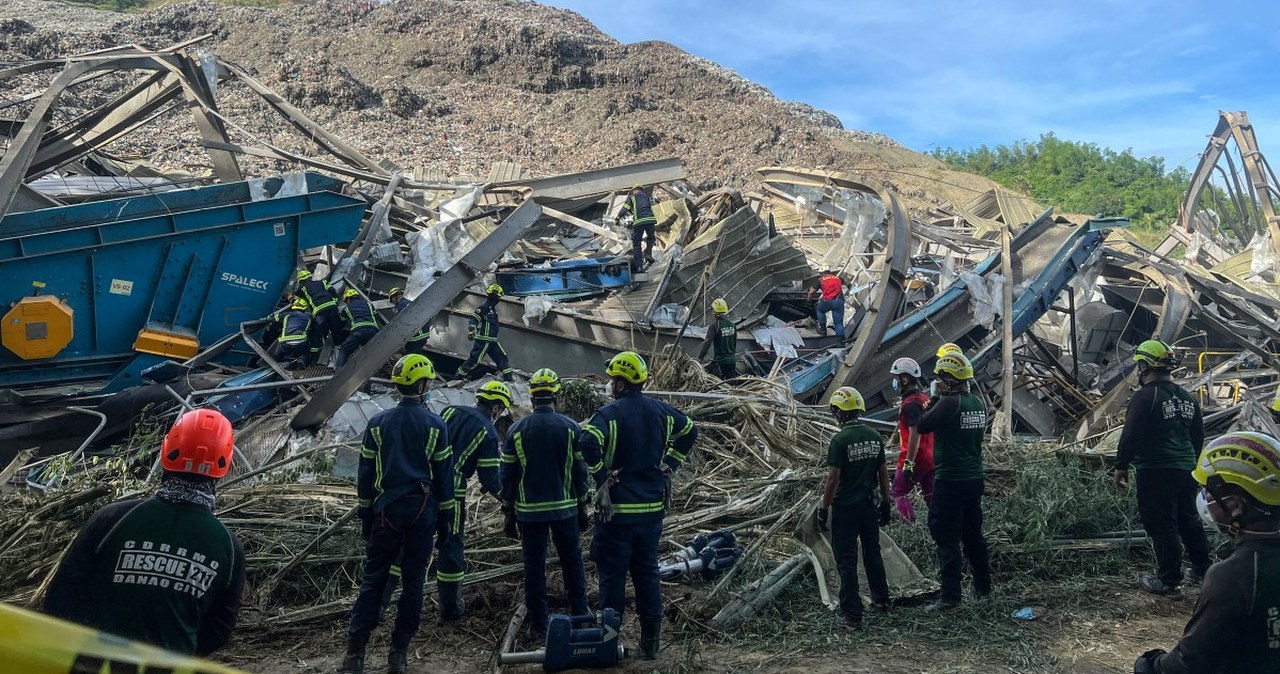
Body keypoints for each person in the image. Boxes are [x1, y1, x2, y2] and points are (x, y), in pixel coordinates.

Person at [45, 409, 245, 656]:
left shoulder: (113, 519)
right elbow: (219, 629)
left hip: (94, 663)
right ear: (225, 464)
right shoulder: (229, 547)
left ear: (166, 451)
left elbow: (61, 597)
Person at [578, 351, 698, 660]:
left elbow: (586, 441)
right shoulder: (662, 411)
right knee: (647, 575)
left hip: (617, 514)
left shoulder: (609, 415)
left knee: (612, 577)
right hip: (651, 512)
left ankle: (608, 644)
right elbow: (689, 430)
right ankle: (651, 644)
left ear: (619, 384)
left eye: (612, 380)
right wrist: (669, 464)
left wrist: (601, 475)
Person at [1133, 430, 1280, 674]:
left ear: (1234, 506)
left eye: (1208, 491)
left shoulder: (1236, 576)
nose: (1204, 498)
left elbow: (1188, 665)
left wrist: (1149, 664)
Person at [342, 354, 454, 674]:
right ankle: (398, 655)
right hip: (422, 514)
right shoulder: (436, 425)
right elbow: (445, 479)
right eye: (428, 382)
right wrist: (446, 521)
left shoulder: (377, 424)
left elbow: (365, 476)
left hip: (385, 514)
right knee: (413, 583)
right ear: (421, 385)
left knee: (374, 581)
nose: (430, 387)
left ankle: (355, 654)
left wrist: (366, 514)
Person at [1114, 339, 1210, 598]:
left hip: (1156, 471)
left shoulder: (1145, 396)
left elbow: (1130, 434)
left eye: (1139, 365)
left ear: (1144, 366)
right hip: (1187, 468)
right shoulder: (1187, 397)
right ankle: (1203, 571)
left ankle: (1169, 581)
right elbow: (1198, 437)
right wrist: (1191, 463)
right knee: (1189, 520)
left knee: (1162, 524)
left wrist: (1121, 466)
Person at [501, 368, 591, 637]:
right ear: (555, 396)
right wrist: (582, 507)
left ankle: (539, 626)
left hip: (529, 514)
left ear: (532, 398)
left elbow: (507, 476)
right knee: (572, 563)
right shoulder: (571, 428)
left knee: (534, 568)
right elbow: (580, 472)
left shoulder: (516, 431)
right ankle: (581, 617)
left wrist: (508, 511)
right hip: (565, 511)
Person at [917, 351, 992, 611]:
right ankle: (983, 588)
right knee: (973, 535)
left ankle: (950, 597)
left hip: (951, 480)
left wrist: (934, 397)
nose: (939, 381)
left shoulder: (950, 403)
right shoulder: (976, 403)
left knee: (946, 537)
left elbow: (923, 424)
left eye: (941, 378)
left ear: (948, 379)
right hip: (974, 477)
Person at [816, 386, 892, 630]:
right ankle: (881, 600)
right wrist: (886, 503)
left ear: (839, 412)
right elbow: (883, 473)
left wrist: (824, 508)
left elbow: (833, 479)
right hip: (868, 506)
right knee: (873, 553)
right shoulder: (874, 435)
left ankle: (852, 615)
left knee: (846, 561)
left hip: (845, 509)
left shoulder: (839, 440)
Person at [435, 380, 509, 623]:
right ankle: (450, 609)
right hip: (452, 492)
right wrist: (507, 499)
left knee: (414, 540)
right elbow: (490, 478)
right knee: (451, 545)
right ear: (497, 407)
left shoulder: (449, 410)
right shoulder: (488, 432)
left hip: (423, 486)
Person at [889, 357, 935, 524]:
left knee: (898, 491)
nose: (894, 382)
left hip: (916, 458)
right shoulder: (924, 399)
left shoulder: (910, 404)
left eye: (896, 378)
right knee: (931, 494)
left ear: (905, 379)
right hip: (931, 456)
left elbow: (915, 434)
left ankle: (909, 526)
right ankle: (941, 524)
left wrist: (909, 463)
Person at [456, 284, 514, 382]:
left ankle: (509, 379)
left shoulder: (493, 310)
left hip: (492, 341)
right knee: (474, 360)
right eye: (495, 296)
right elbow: (474, 319)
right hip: (484, 340)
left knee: (502, 358)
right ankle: (458, 377)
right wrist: (471, 330)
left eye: (497, 296)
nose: (496, 298)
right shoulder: (483, 308)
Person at [296, 269, 341, 366]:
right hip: (332, 307)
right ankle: (338, 352)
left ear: (301, 281)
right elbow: (332, 290)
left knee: (317, 334)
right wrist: (335, 301)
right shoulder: (322, 282)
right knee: (336, 330)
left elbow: (296, 296)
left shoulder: (302, 289)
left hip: (320, 311)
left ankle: (313, 361)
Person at [335, 288, 381, 369]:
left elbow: (344, 317)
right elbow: (376, 316)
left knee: (344, 350)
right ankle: (374, 368)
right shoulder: (369, 304)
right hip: (372, 330)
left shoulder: (347, 308)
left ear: (348, 299)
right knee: (372, 350)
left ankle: (338, 371)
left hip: (358, 331)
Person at [697, 298, 737, 379]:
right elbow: (734, 343)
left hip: (720, 362)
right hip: (732, 361)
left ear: (715, 311)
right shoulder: (732, 325)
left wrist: (701, 357)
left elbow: (707, 343)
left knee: (711, 381)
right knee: (730, 386)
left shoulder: (714, 326)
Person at [268, 297, 313, 369]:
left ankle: (274, 364)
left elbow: (272, 318)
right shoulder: (308, 316)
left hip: (285, 342)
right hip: (301, 342)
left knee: (279, 352)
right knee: (305, 352)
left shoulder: (286, 314)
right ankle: (301, 361)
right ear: (305, 308)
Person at [621, 184, 657, 271]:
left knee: (637, 243)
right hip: (650, 220)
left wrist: (617, 218)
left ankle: (639, 266)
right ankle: (648, 254)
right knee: (651, 238)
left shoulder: (632, 197)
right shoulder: (647, 197)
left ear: (634, 190)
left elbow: (624, 209)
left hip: (639, 222)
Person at [389, 287, 431, 356]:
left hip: (415, 337)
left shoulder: (400, 306)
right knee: (417, 352)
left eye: (392, 301)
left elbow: (400, 325)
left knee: (409, 354)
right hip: (425, 334)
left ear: (394, 298)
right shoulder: (410, 302)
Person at [806, 270, 845, 338]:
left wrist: (808, 300)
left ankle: (823, 329)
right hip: (839, 301)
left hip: (827, 301)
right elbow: (845, 284)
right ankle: (840, 342)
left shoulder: (820, 280)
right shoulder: (838, 278)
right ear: (829, 272)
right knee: (839, 324)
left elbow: (812, 292)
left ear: (821, 273)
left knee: (819, 309)